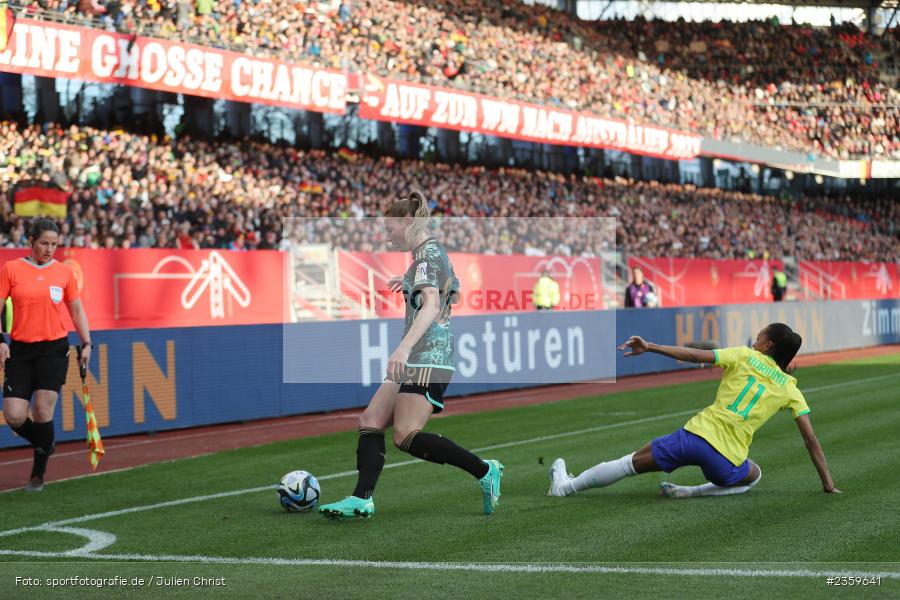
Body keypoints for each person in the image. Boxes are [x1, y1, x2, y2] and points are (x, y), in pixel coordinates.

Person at [318, 192, 504, 519]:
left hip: (427, 357)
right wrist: (407, 282)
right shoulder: (427, 254)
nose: (387, 237)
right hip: (422, 356)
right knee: (370, 420)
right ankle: (362, 498)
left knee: (405, 435)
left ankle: (484, 470)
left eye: (390, 229)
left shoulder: (425, 257)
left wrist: (403, 347)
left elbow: (433, 303)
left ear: (407, 222)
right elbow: (453, 291)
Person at [548, 323, 840, 499]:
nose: (755, 338)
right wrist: (827, 484)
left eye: (760, 336)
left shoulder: (745, 355)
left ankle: (564, 488)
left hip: (696, 437)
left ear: (768, 345)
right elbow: (811, 440)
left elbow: (695, 355)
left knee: (629, 464)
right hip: (726, 462)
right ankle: (693, 491)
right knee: (754, 474)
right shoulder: (791, 388)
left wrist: (651, 347)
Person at [0, 219, 93, 491]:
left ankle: (38, 474)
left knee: (42, 410)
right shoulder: (11, 269)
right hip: (20, 349)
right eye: (44, 243)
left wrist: (87, 343)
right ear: (31, 241)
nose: (50, 248)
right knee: (14, 415)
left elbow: (76, 310)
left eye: (54, 243)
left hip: (53, 348)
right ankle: (45, 442)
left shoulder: (64, 273)